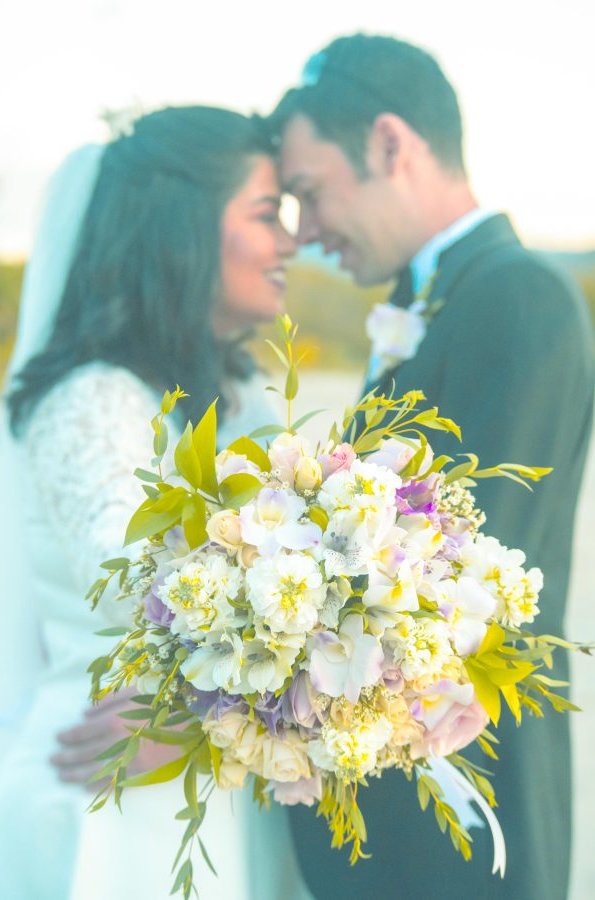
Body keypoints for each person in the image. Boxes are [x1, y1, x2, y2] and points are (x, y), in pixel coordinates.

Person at [268, 33, 595, 900]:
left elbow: (455, 582)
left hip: (467, 829)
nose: (305, 232)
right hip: (407, 828)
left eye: (308, 192)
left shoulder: (517, 295)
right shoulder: (436, 299)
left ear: (388, 143)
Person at [0, 106, 310, 900]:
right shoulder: (92, 402)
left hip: (203, 779)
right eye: (268, 215)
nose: (290, 244)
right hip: (112, 792)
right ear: (186, 230)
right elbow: (157, 601)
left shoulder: (243, 401)